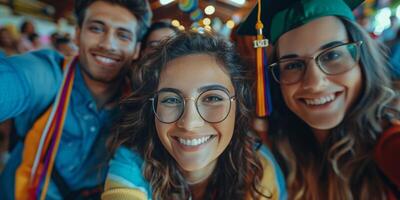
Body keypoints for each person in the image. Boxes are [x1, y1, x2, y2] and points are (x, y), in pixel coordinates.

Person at [239, 0, 400, 199]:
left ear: (363, 61)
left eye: (332, 55)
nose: (314, 83)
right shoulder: (278, 152)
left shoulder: (391, 146)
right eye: (293, 65)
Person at [102, 31, 287, 200]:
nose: (189, 123)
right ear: (153, 109)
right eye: (171, 100)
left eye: (212, 98)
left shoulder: (260, 167)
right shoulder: (132, 162)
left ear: (238, 107)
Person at [0, 0, 152, 199]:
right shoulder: (48, 76)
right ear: (77, 34)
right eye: (96, 29)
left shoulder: (137, 105)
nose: (108, 44)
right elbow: (14, 80)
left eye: (123, 35)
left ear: (136, 49)